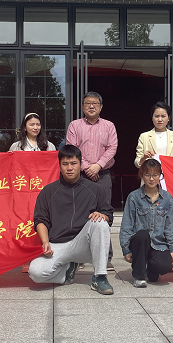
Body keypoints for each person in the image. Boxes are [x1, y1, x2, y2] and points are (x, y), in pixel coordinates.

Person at [28, 145, 114, 295]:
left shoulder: (95, 189)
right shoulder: (48, 191)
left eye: (73, 163)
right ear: (59, 165)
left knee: (100, 222)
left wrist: (102, 215)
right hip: (58, 245)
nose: (69, 168)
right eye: (65, 164)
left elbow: (108, 214)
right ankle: (67, 271)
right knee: (36, 273)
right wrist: (45, 242)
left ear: (81, 164)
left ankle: (100, 277)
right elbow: (40, 219)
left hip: (84, 245)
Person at [66, 91, 118, 264]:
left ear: (101, 107)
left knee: (104, 214)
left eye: (95, 103)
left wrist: (98, 166)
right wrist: (88, 168)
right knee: (79, 214)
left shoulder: (109, 126)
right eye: (88, 103)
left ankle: (105, 257)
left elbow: (112, 148)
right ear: (82, 106)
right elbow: (72, 149)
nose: (91, 106)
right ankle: (79, 257)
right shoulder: (74, 125)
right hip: (80, 176)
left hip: (103, 175)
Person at [119, 159, 173, 288]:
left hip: (158, 244)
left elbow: (170, 227)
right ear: (141, 175)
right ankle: (139, 275)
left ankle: (151, 267)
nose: (151, 179)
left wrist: (172, 249)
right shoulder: (133, 197)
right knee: (142, 235)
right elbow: (126, 225)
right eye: (147, 175)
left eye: (155, 175)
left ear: (160, 175)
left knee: (164, 266)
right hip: (139, 243)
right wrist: (126, 249)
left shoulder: (167, 198)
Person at [134, 102, 173, 168]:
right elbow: (137, 163)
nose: (160, 119)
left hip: (170, 173)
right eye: (156, 116)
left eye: (163, 116)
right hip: (151, 173)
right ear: (152, 118)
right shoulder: (144, 137)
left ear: (168, 118)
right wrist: (144, 158)